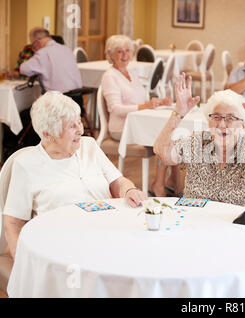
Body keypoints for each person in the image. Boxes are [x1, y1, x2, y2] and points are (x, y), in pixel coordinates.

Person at [2, 92, 147, 260]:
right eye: (72, 126)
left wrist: (129, 190)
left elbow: (118, 182)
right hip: (64, 248)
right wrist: (24, 269)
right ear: (48, 133)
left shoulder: (89, 146)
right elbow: (13, 225)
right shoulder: (26, 164)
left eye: (80, 121)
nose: (80, 130)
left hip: (109, 232)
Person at [154, 73, 245, 207]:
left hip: (234, 224)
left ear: (243, 125)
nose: (222, 125)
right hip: (195, 220)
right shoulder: (198, 141)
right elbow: (163, 153)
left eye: (230, 118)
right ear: (209, 122)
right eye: (216, 117)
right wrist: (178, 113)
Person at [101, 35, 176, 197]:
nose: (125, 55)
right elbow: (115, 109)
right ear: (110, 54)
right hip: (121, 128)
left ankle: (171, 182)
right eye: (119, 51)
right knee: (166, 137)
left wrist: (158, 102)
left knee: (173, 133)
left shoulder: (132, 72)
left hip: (139, 124)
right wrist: (145, 106)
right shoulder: (109, 76)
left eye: (128, 51)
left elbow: (141, 100)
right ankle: (159, 186)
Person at [19, 28, 82, 94]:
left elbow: (23, 69)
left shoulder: (43, 53)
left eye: (32, 45)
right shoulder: (67, 49)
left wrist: (35, 53)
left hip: (59, 99)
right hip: (78, 98)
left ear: (37, 42)